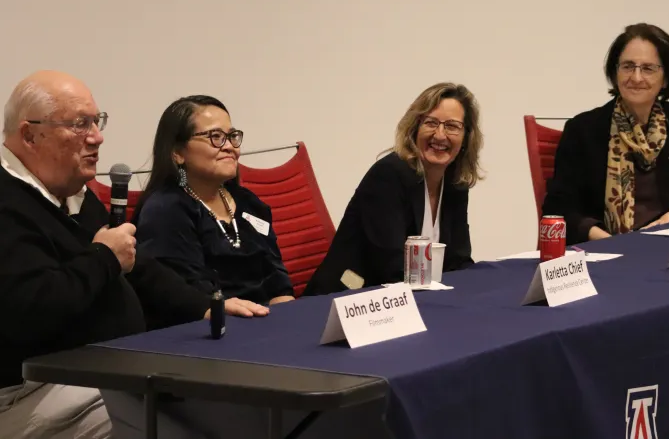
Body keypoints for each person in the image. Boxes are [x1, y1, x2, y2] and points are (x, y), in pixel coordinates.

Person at [0, 71, 268, 439]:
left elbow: (136, 266)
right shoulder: (8, 203)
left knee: (227, 409)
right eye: (80, 124)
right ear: (30, 134)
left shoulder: (72, 194)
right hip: (34, 388)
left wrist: (204, 306)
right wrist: (104, 258)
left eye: (97, 121)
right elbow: (28, 309)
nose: (97, 136)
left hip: (104, 369)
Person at [542, 23, 669, 245]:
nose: (636, 77)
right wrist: (608, 242)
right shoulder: (584, 129)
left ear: (666, 78)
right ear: (615, 72)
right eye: (628, 66)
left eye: (648, 68)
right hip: (606, 251)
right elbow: (558, 208)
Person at [304, 82, 483, 295]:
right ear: (415, 128)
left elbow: (459, 260)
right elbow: (392, 268)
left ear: (466, 137)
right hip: (350, 300)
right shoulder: (389, 175)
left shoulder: (456, 182)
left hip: (413, 301)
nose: (440, 135)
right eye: (431, 123)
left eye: (452, 126)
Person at [133, 95, 295, 306]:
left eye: (232, 136)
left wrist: (288, 314)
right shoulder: (166, 210)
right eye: (215, 137)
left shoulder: (248, 203)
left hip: (266, 319)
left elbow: (277, 280)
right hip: (210, 324)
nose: (229, 146)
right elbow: (189, 294)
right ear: (178, 153)